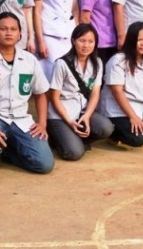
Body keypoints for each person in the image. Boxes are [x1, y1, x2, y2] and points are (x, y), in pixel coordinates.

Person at [0, 12, 54, 175]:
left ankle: (7, 153)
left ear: (20, 34)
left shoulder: (30, 60)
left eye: (13, 29)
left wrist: (42, 123)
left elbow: (41, 93)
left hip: (22, 120)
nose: (9, 33)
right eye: (3, 29)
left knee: (45, 165)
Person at [47, 24, 114, 160]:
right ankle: (57, 138)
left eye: (90, 41)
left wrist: (87, 116)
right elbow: (54, 98)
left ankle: (72, 139)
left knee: (106, 128)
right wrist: (69, 121)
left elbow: (95, 93)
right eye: (82, 40)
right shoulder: (61, 64)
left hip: (81, 111)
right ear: (73, 41)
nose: (86, 45)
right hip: (61, 115)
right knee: (74, 153)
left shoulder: (97, 63)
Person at [99, 22, 143, 147]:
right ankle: (114, 134)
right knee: (138, 139)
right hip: (117, 110)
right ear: (131, 40)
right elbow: (117, 91)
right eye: (139, 40)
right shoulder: (118, 60)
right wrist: (133, 117)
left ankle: (137, 128)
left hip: (139, 105)